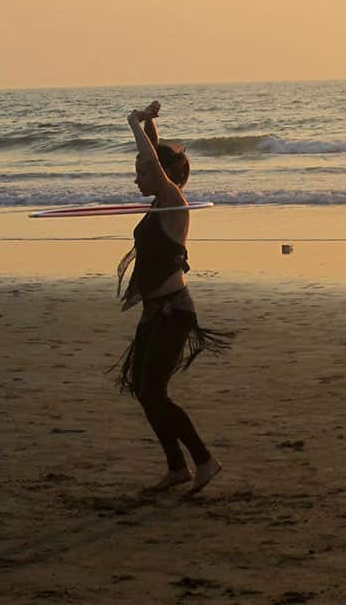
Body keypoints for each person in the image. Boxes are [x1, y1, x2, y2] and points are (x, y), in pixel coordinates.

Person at [113, 100, 233, 495]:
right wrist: (150, 125)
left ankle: (204, 461)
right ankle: (177, 468)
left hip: (173, 313)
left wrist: (132, 122)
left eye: (141, 173)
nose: (136, 179)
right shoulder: (159, 202)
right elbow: (154, 158)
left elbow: (155, 164)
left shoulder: (174, 203)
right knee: (144, 391)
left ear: (161, 175)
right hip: (154, 313)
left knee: (154, 393)